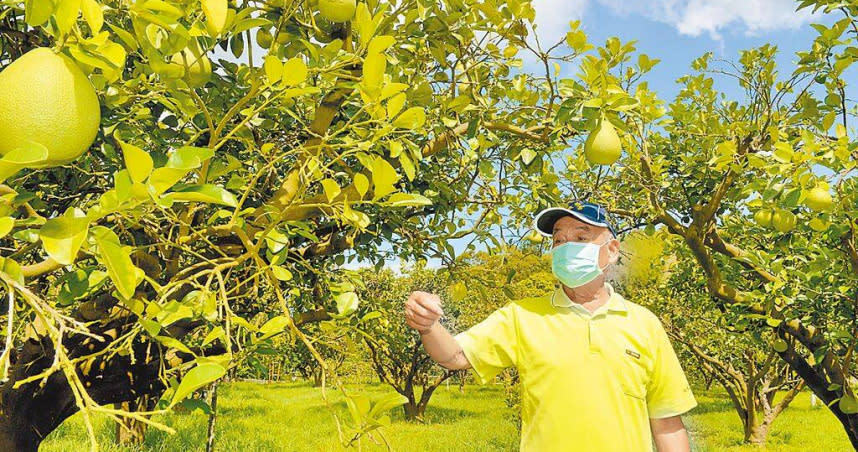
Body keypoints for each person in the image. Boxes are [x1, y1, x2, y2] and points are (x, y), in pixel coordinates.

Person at [403, 201, 697, 451]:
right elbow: (454, 356)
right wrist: (428, 326)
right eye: (559, 240)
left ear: (612, 250)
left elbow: (667, 421)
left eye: (581, 239)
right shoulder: (523, 316)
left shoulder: (643, 323)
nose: (567, 247)